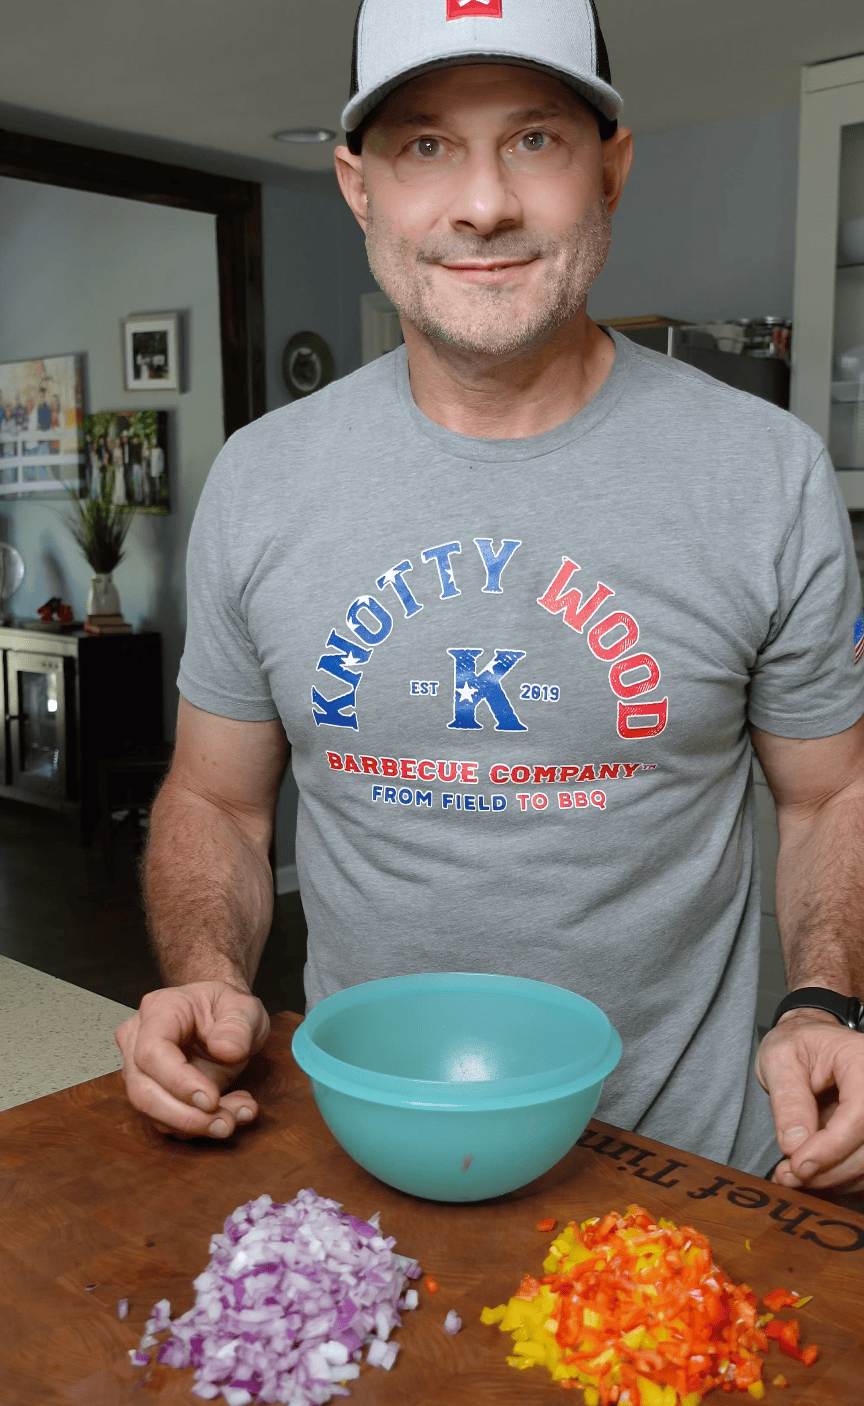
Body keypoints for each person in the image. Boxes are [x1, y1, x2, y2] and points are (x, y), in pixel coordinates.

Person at [117, 0, 864, 1197]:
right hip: (362, 1153)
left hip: (681, 1173)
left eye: (534, 139)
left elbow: (832, 800)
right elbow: (216, 798)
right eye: (424, 145)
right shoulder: (261, 479)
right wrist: (210, 972)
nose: (481, 205)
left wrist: (827, 1001)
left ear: (610, 169)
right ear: (358, 186)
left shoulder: (764, 473)